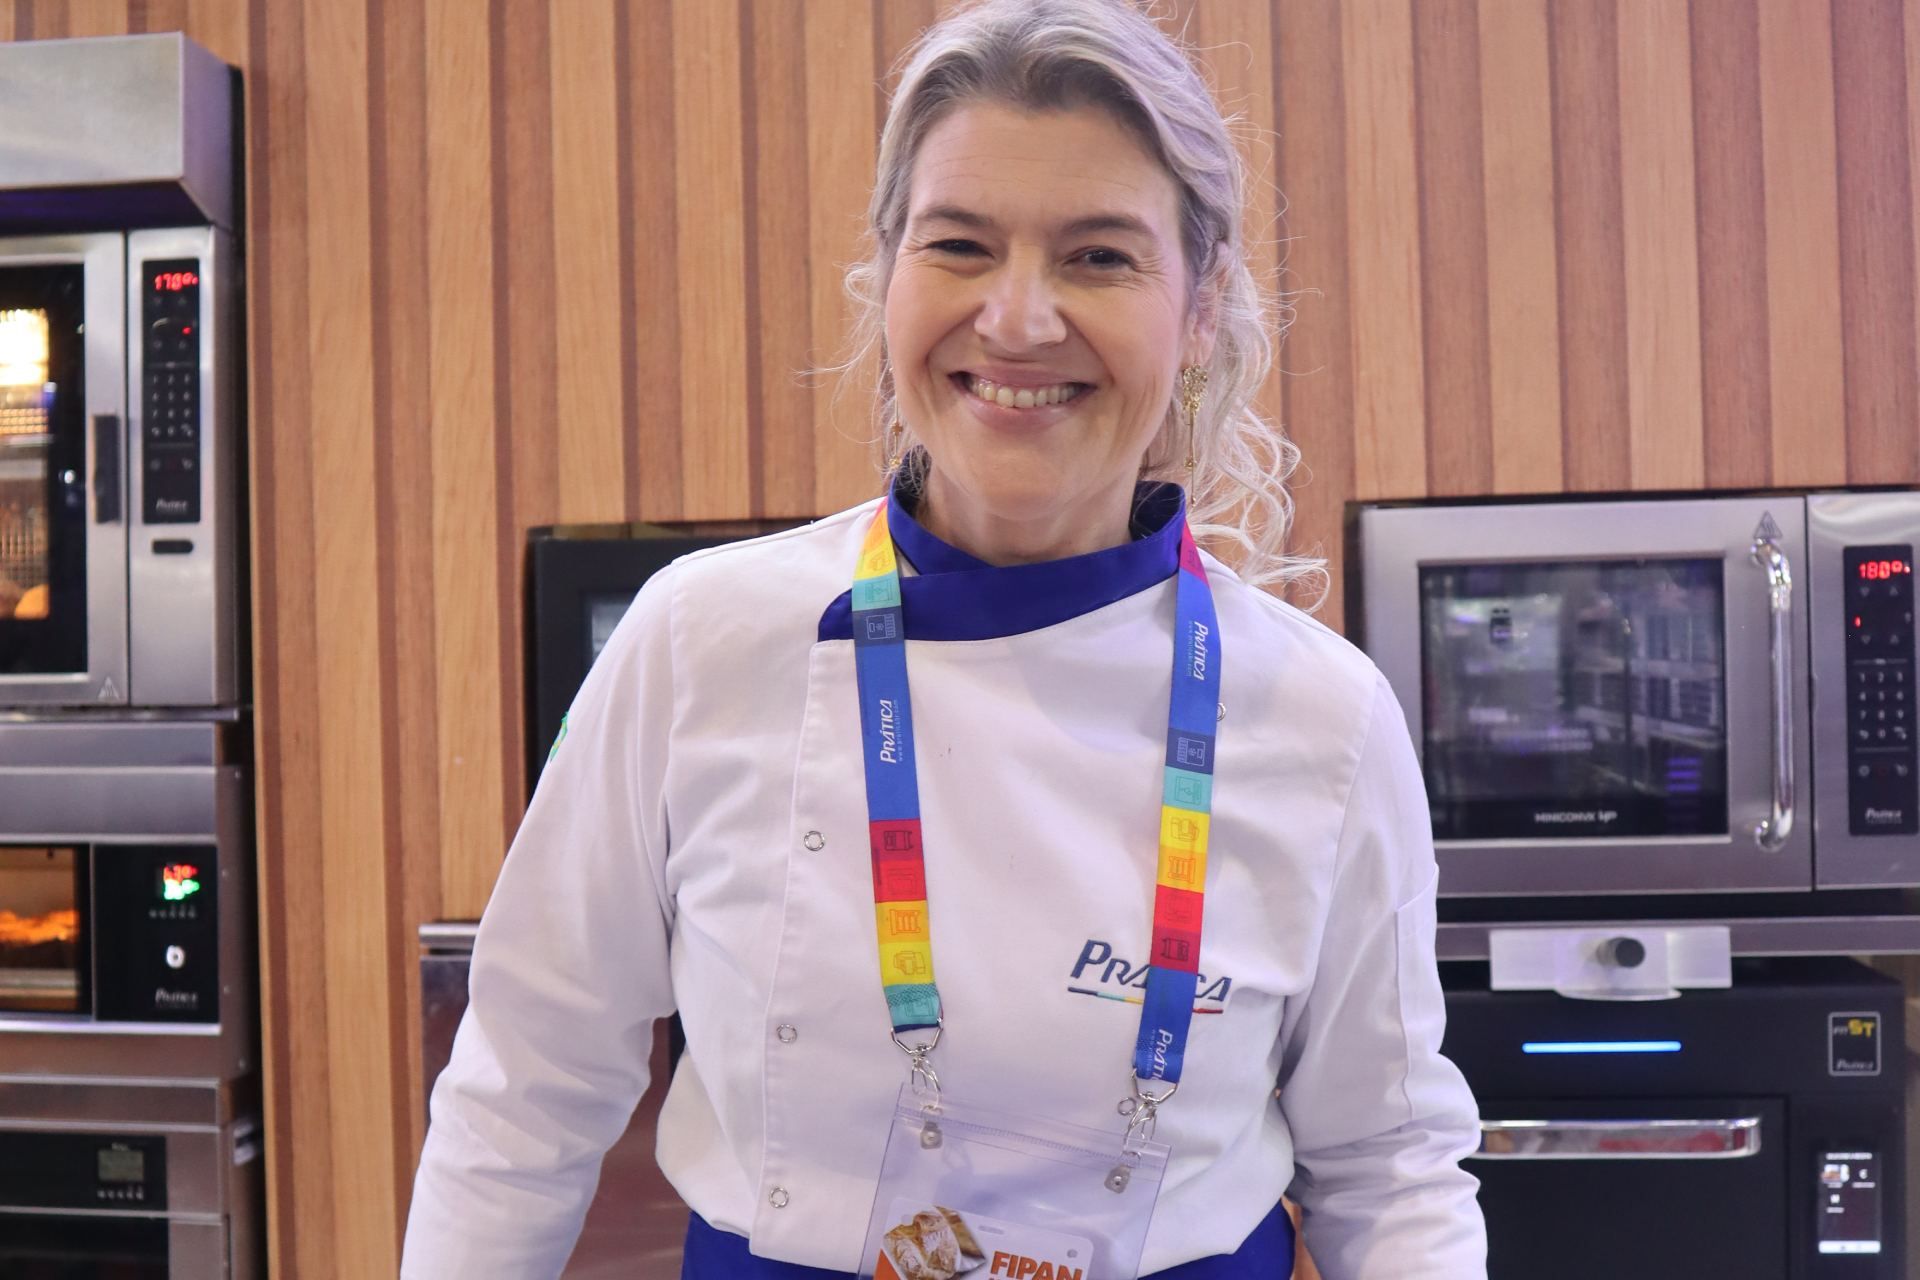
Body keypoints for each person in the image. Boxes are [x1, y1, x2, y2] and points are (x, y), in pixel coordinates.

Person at [401, 1, 1487, 1277]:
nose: (1019, 320)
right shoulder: (701, 638)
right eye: (961, 245)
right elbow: (524, 1088)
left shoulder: (1324, 716)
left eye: (1100, 257)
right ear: (888, 275)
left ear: (1200, 311)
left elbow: (1390, 1165)